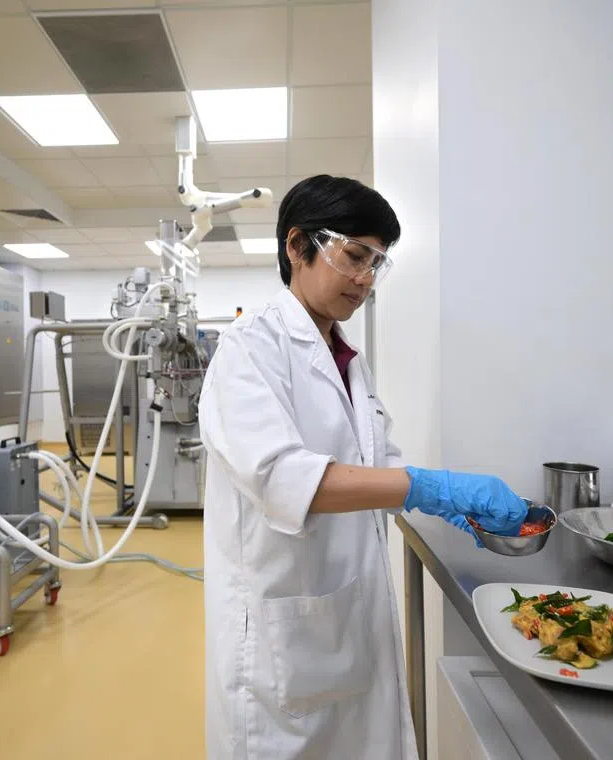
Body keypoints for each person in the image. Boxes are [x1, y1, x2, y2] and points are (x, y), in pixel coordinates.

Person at [198, 175, 527, 759]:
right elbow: (282, 477)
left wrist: (448, 502)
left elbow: (375, 461)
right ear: (298, 247)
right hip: (286, 632)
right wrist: (427, 487)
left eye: (378, 263)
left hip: (344, 617)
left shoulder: (346, 358)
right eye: (354, 256)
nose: (367, 279)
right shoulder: (249, 348)